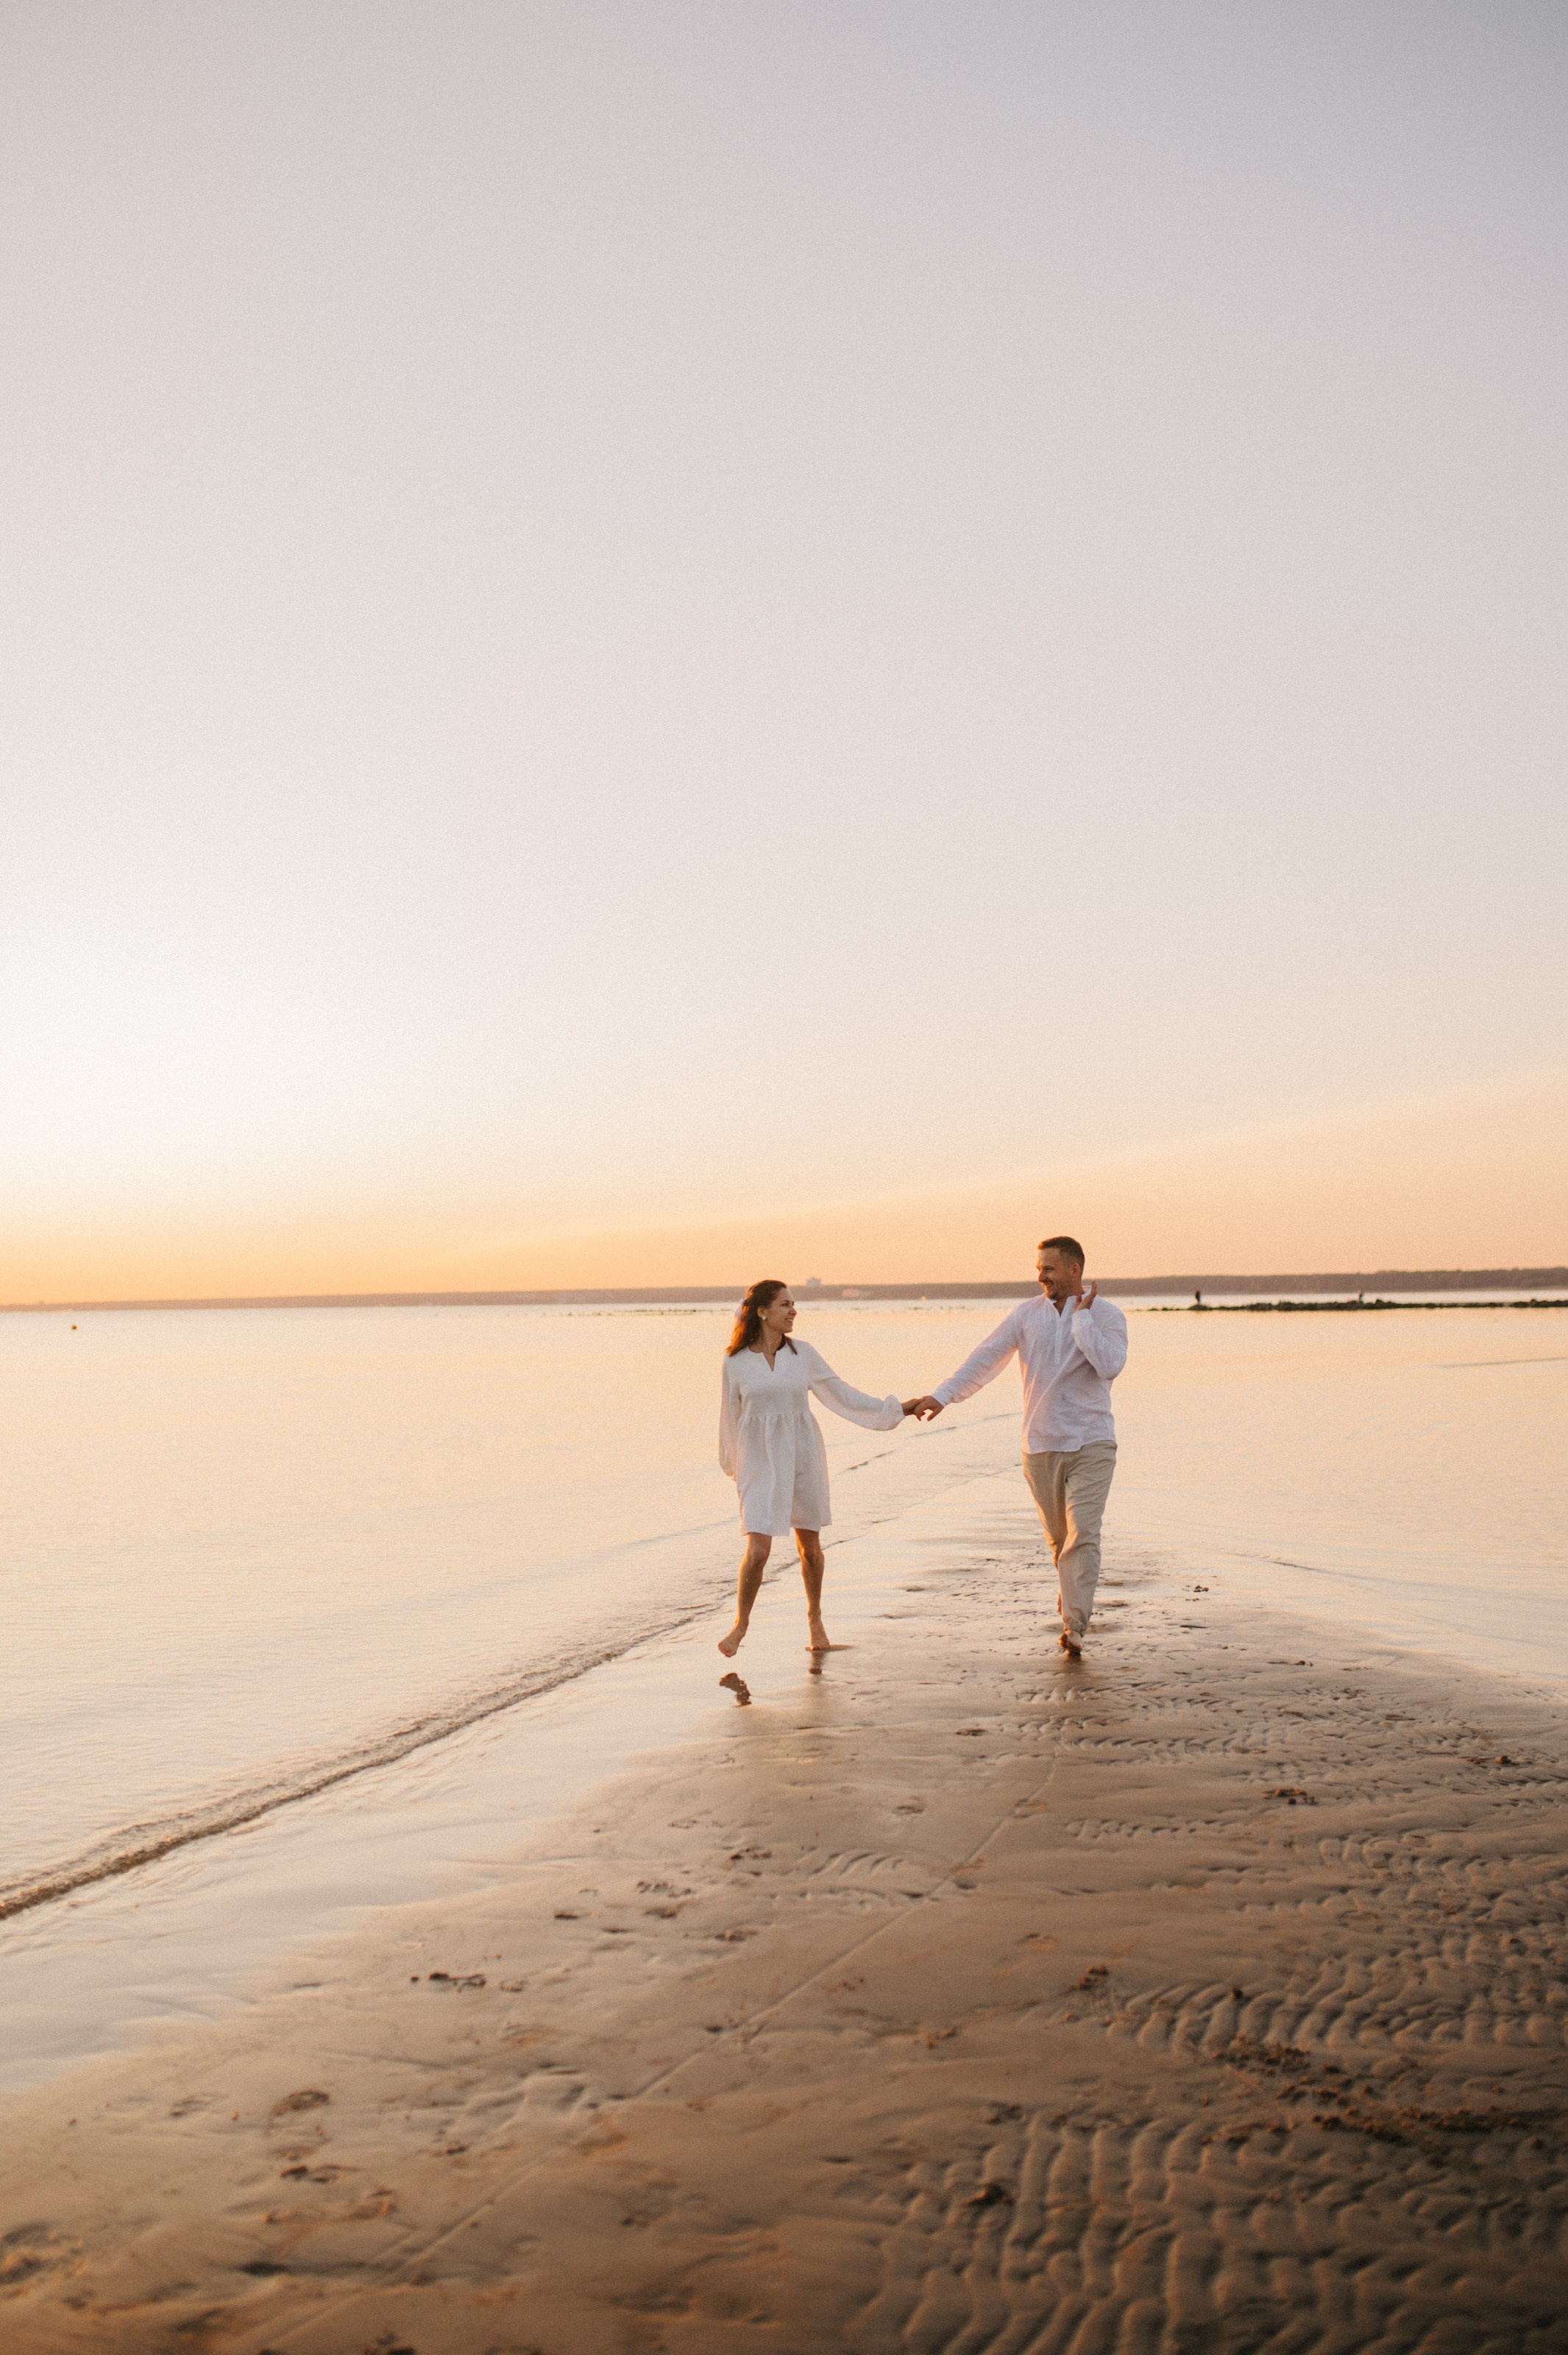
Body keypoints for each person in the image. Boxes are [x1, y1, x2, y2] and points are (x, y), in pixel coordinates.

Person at [904, 1236, 1127, 1656]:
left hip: (1092, 1442)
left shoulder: (1108, 1315)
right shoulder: (1025, 1314)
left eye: (1049, 1268)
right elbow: (985, 1358)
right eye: (1039, 1268)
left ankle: (1075, 1625)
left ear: (1074, 1270)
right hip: (1039, 1444)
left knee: (1084, 1534)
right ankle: (1071, 1587)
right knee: (1060, 1540)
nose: (1040, 1276)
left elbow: (1111, 1365)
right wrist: (943, 1395)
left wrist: (1082, 1319)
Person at [719, 1278, 908, 1657]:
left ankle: (815, 1617)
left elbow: (842, 1395)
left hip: (802, 1453)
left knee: (811, 1549)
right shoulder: (734, 1362)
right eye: (785, 1304)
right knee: (757, 1551)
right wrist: (734, 1468)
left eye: (793, 1304)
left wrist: (896, 1409)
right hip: (757, 1460)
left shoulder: (803, 1354)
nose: (793, 1311)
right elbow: (729, 1417)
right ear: (762, 1312)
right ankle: (740, 1624)